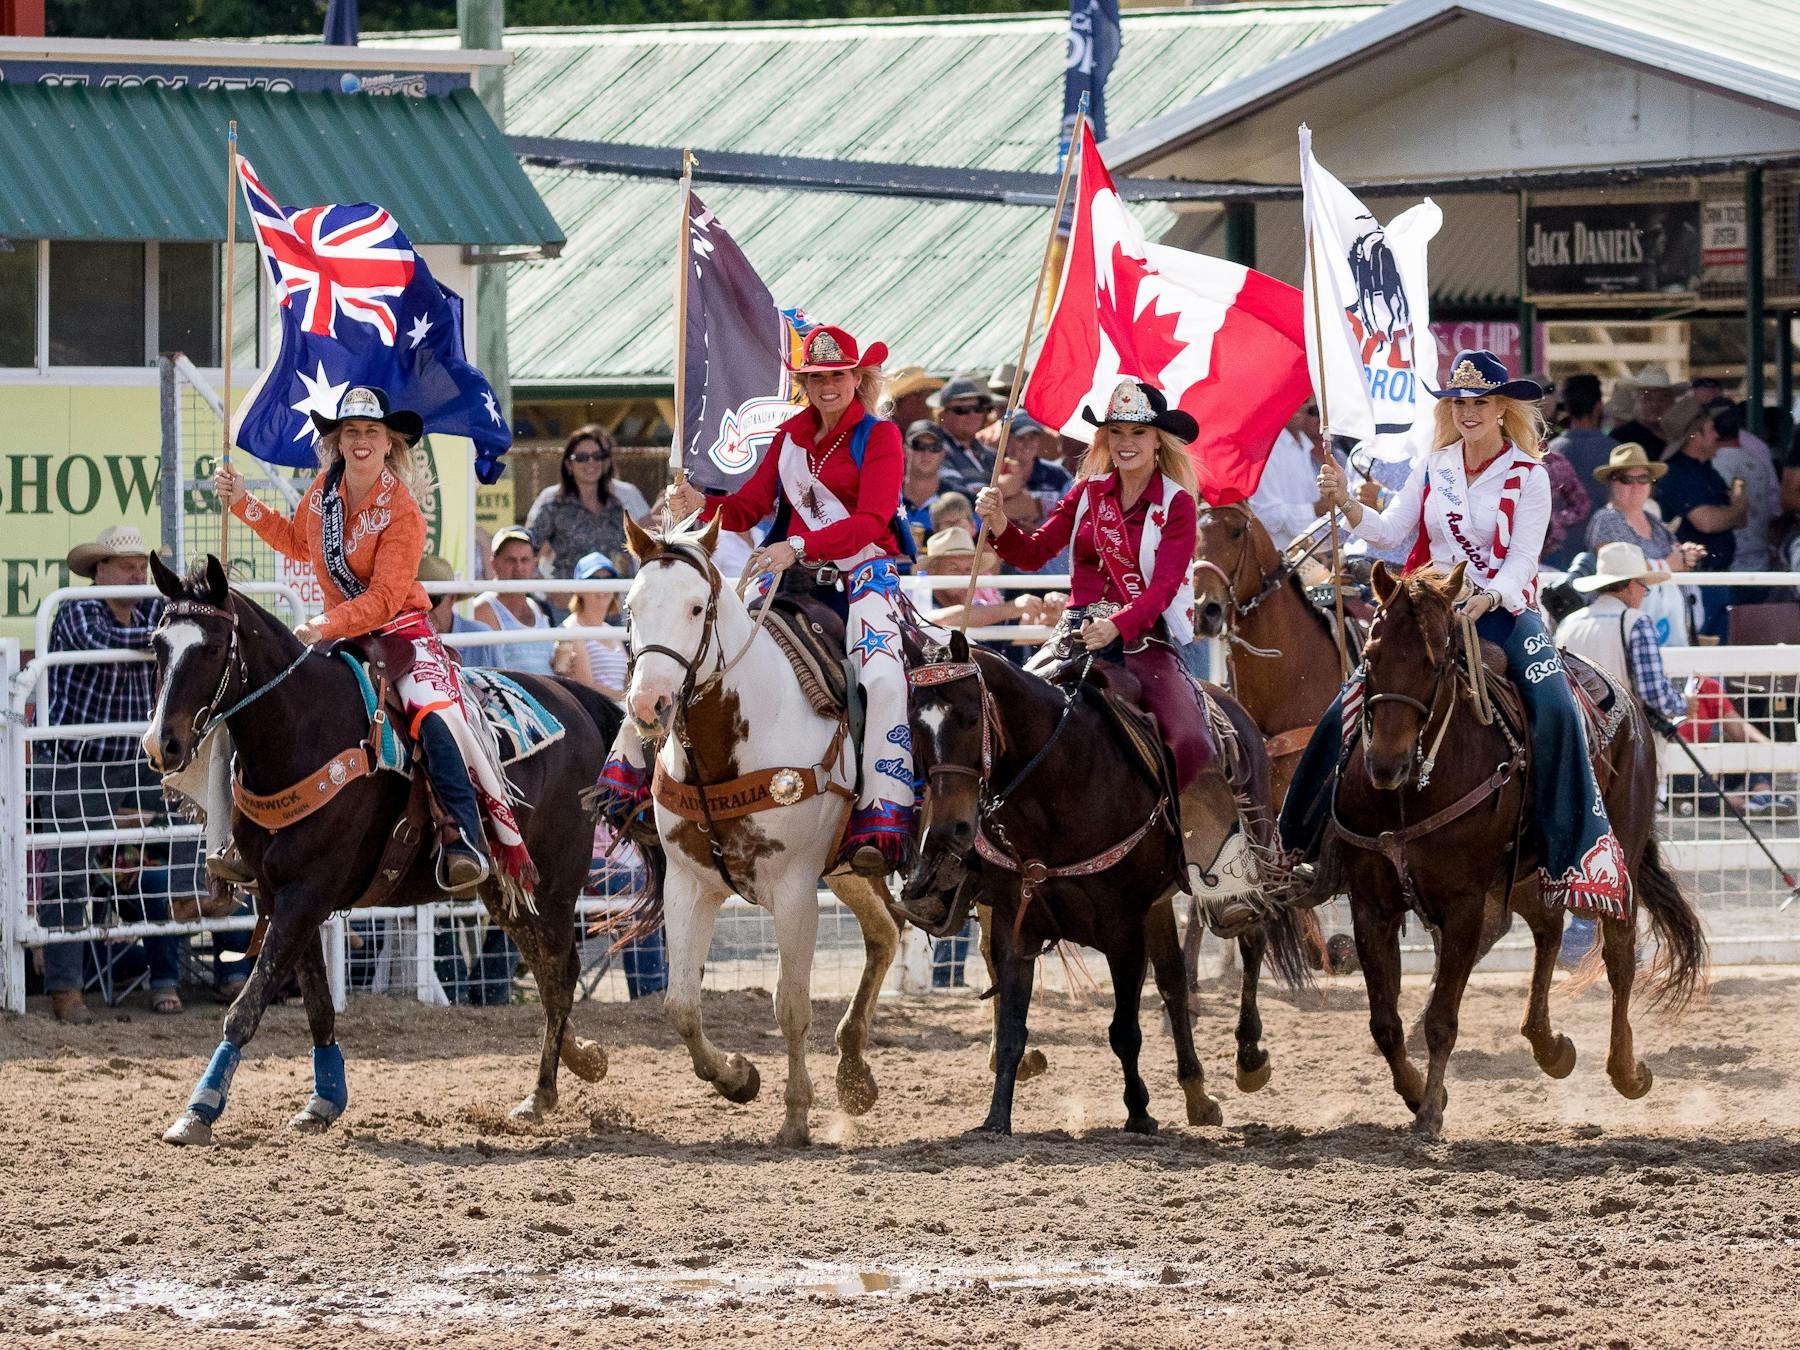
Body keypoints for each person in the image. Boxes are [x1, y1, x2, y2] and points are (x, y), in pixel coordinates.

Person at [1293, 349, 1629, 918]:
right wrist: (1346, 502)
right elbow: (1389, 532)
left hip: (1504, 610)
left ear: (1502, 408)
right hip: (1427, 608)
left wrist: (1487, 595)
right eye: (1459, 402)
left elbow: (1524, 561)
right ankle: (1299, 845)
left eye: (1480, 402)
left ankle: (1571, 851)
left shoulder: (1530, 475)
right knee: (1348, 703)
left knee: (1555, 708)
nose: (1469, 411)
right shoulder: (1436, 465)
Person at [597, 325, 917, 876]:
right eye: (815, 378)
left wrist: (798, 544)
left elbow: (871, 520)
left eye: (837, 375)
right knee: (695, 650)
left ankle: (881, 812)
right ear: (804, 383)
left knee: (886, 680)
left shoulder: (880, 437)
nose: (827, 386)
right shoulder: (790, 436)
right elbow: (747, 508)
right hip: (787, 573)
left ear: (857, 378)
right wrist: (702, 500)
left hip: (863, 573)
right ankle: (631, 775)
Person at [215, 384, 530, 894]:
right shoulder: (323, 493)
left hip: (400, 632)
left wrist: (323, 626)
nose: (361, 441)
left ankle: (462, 836)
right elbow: (299, 543)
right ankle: (246, 834)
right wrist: (242, 503)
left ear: (390, 444)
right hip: (340, 634)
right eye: (351, 431)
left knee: (434, 711)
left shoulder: (402, 509)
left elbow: (386, 598)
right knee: (261, 701)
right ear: (338, 441)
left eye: (372, 432)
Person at [975, 379, 1214, 795]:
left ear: (1159, 440)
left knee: (1189, 740)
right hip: (1072, 634)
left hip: (1142, 638)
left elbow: (1163, 588)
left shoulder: (1177, 503)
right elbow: (1033, 553)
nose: (1126, 442)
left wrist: (1118, 626)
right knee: (997, 717)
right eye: (1117, 432)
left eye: (1138, 432)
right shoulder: (1086, 492)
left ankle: (1181, 835)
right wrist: (997, 522)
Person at [33, 526, 180, 1022]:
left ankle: (187, 966)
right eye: (126, 565)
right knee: (70, 874)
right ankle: (66, 989)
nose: (138, 572)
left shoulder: (149, 612)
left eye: (141, 565)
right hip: (77, 761)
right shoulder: (77, 609)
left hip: (133, 761)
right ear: (100, 571)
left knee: (192, 842)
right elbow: (109, 639)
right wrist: (168, 635)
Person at [1554, 542, 1687, 726]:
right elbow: (1654, 692)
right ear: (1631, 585)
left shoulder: (1568, 623)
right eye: (1644, 586)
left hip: (1579, 734)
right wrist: (1683, 704)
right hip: (1625, 738)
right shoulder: (1637, 622)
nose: (1643, 592)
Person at [1586, 443, 1701, 646]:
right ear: (1612, 483)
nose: (1636, 485)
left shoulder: (1653, 521)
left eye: (1643, 478)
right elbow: (1616, 570)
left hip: (1668, 621)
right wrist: (1667, 565)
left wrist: (1686, 555)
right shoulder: (1606, 520)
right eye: (1626, 479)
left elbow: (1675, 558)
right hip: (1626, 624)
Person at [1655, 394, 1745, 636]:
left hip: (1716, 576)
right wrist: (1738, 507)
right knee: (1700, 649)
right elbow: (1706, 522)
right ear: (1694, 436)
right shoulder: (1676, 475)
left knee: (1719, 655)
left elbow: (1734, 520)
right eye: (1711, 429)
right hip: (1696, 580)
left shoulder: (1707, 471)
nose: (1718, 435)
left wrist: (1730, 513)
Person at [524, 424, 651, 579]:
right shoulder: (554, 508)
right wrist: (549, 592)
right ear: (569, 465)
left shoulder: (619, 506)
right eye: (582, 458)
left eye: (598, 456)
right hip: (570, 600)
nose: (591, 462)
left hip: (616, 598)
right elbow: (525, 551)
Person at [1543, 373, 1616, 567]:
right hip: (1605, 559)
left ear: (1566, 408)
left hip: (1556, 559)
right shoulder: (1617, 453)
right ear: (1599, 406)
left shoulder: (1548, 453)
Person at [470, 526, 556, 675]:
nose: (518, 567)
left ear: (533, 564)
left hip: (546, 695)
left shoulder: (537, 608)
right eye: (510, 560)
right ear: (493, 564)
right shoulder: (483, 609)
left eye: (525, 560)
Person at [1708, 400, 1779, 578]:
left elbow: (1737, 505)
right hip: (1759, 558)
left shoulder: (1716, 465)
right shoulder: (1757, 462)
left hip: (1734, 563)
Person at [1247, 401, 1329, 546]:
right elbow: (1268, 516)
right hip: (1282, 559)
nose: (1301, 406)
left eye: (1305, 401)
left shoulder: (1304, 446)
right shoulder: (1267, 450)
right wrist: (1316, 509)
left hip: (1314, 552)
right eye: (1295, 399)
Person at [554, 551, 629, 705]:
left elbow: (629, 680)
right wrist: (627, 698)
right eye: (594, 579)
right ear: (579, 589)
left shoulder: (610, 630)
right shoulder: (570, 629)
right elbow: (586, 687)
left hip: (619, 712)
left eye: (608, 579)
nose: (601, 585)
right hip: (596, 715)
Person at [928, 376, 997, 498]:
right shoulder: (935, 451)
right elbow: (958, 496)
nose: (972, 414)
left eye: (977, 408)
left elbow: (1026, 503)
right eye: (961, 410)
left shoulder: (991, 454)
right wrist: (1004, 490)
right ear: (942, 414)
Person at [420, 554, 492, 657]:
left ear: (452, 598)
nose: (425, 609)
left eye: (432, 600)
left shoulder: (483, 638)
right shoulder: (402, 640)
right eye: (416, 603)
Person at [1609, 364, 1684, 459]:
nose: (1655, 404)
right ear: (1636, 400)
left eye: (1662, 399)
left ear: (1672, 402)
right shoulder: (1621, 437)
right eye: (1647, 398)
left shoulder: (1684, 435)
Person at [902, 420, 949, 541]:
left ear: (942, 454)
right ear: (904, 450)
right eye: (918, 446)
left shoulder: (958, 499)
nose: (926, 453)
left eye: (934, 447)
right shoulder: (884, 496)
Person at [887, 366, 943, 433]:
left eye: (929, 392)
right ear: (898, 401)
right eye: (918, 393)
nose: (924, 399)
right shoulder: (886, 432)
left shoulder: (935, 431)